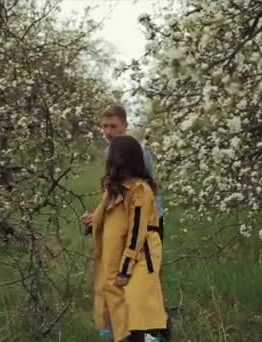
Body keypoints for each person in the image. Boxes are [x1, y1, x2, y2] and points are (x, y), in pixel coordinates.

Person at [90, 135, 167, 342]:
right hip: (118, 254)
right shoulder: (113, 189)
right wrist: (92, 221)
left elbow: (137, 231)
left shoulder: (140, 189)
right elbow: (111, 220)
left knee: (133, 309)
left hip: (140, 255)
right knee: (120, 310)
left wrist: (125, 269)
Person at [83, 105, 164, 237]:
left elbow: (149, 187)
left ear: (125, 125)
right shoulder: (108, 152)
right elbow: (114, 188)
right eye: (105, 126)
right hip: (123, 217)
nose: (108, 131)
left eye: (113, 126)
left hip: (147, 218)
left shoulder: (139, 151)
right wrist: (98, 215)